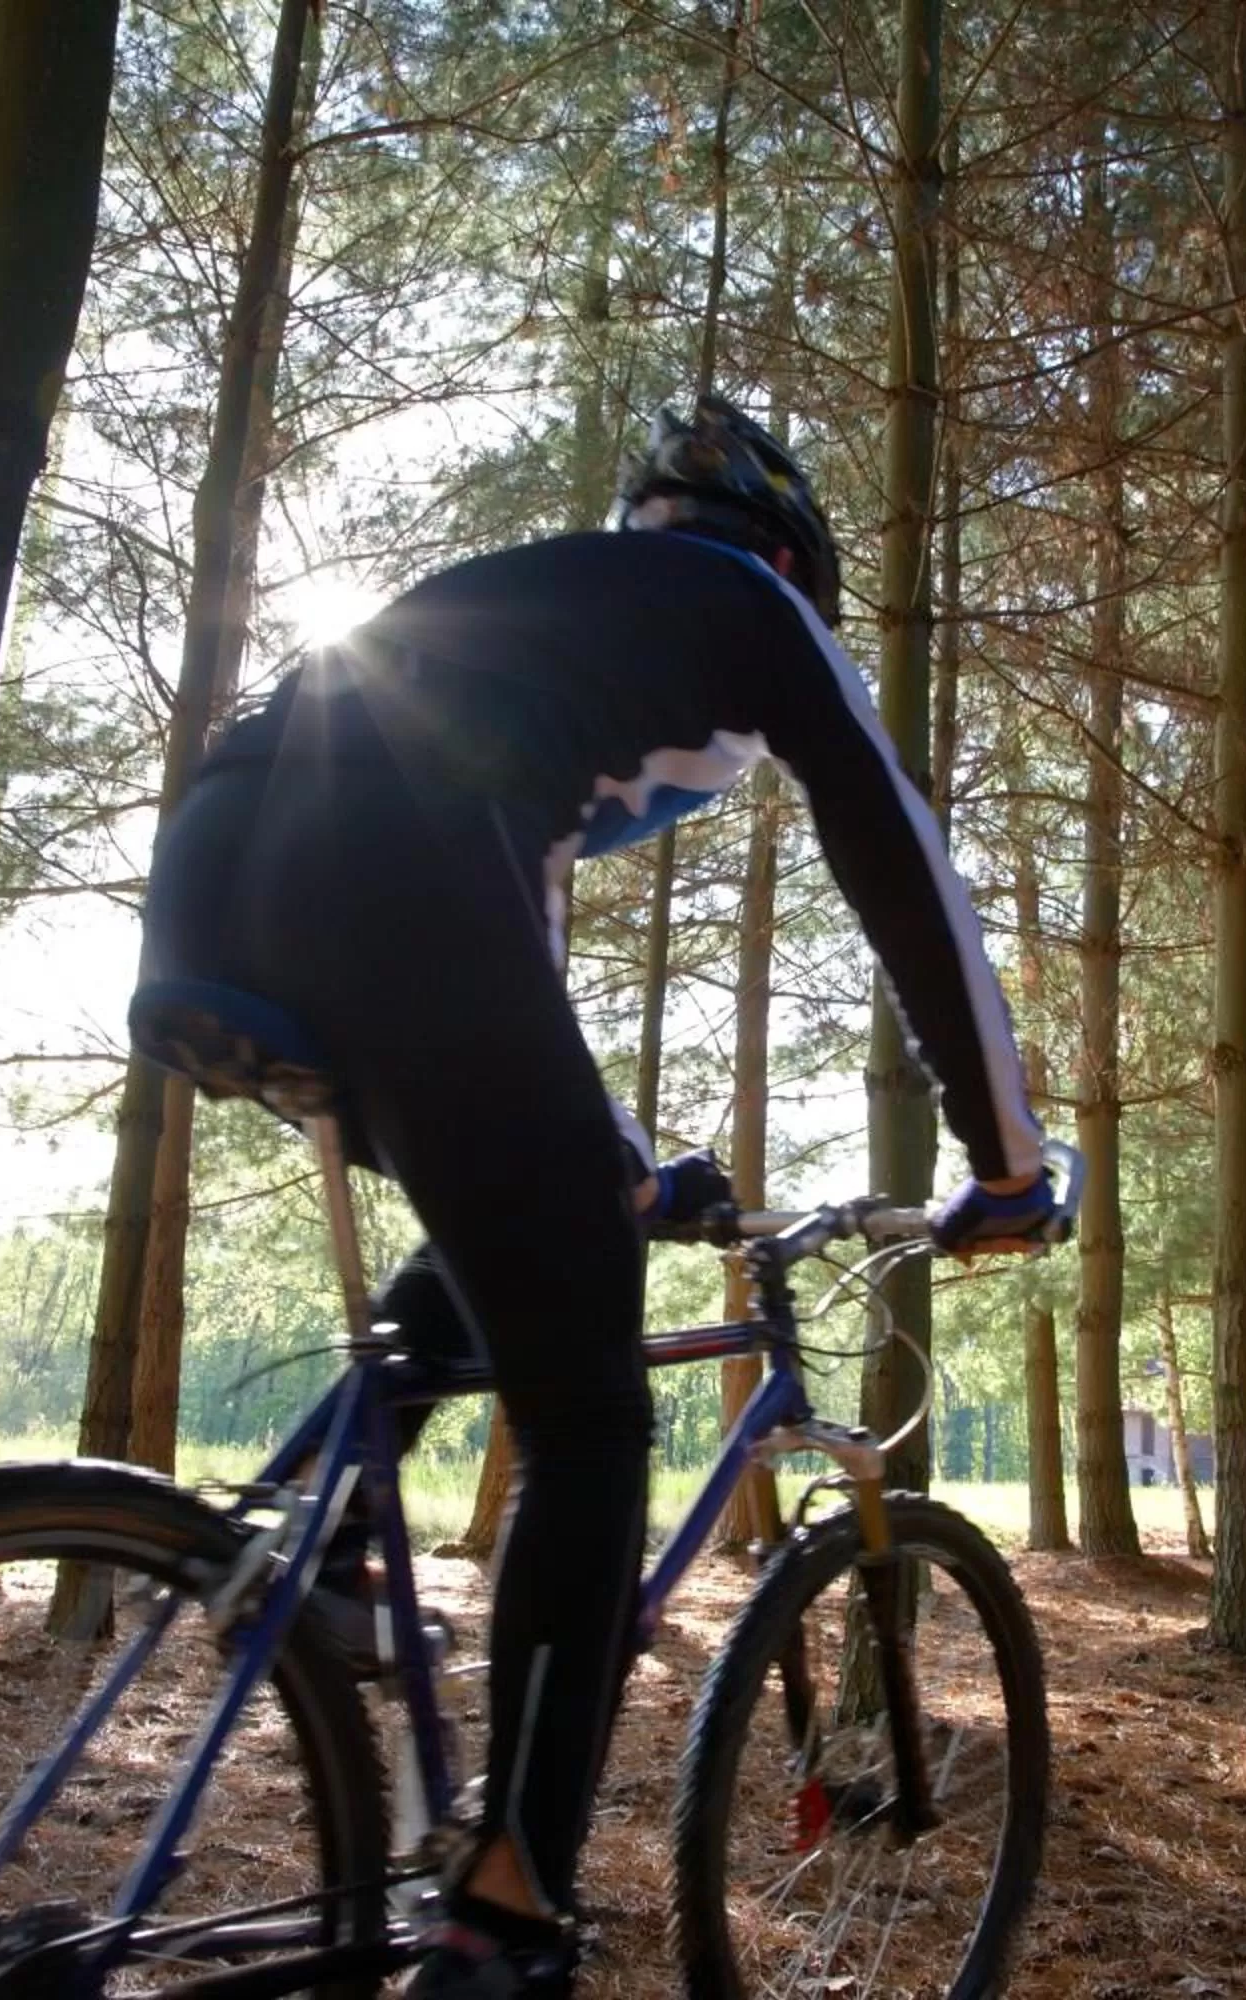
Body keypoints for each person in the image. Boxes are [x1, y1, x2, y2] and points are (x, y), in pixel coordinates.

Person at [137, 393, 1056, 1998]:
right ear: (786, 555)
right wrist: (1009, 1161)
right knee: (592, 1429)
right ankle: (507, 1914)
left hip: (218, 873)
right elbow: (902, 862)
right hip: (394, 873)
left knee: (514, 1201)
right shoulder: (752, 605)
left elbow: (510, 991)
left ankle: (331, 1533)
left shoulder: (542, 608)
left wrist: (617, 1166)